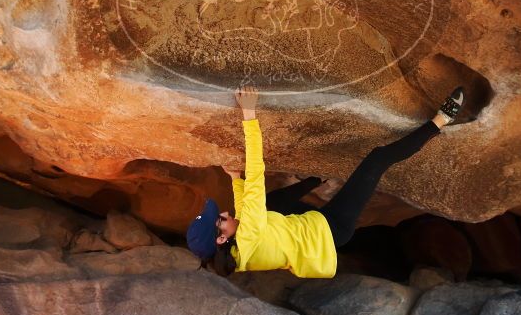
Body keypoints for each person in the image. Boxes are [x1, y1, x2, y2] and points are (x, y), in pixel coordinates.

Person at [187, 85, 465, 278]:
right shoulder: (249, 235)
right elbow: (256, 171)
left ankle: (315, 180)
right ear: (222, 237)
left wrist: (236, 179)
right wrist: (249, 114)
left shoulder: (235, 252)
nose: (223, 213)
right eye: (219, 220)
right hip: (331, 230)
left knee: (264, 204)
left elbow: (248, 208)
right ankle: (440, 122)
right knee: (377, 160)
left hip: (306, 229)